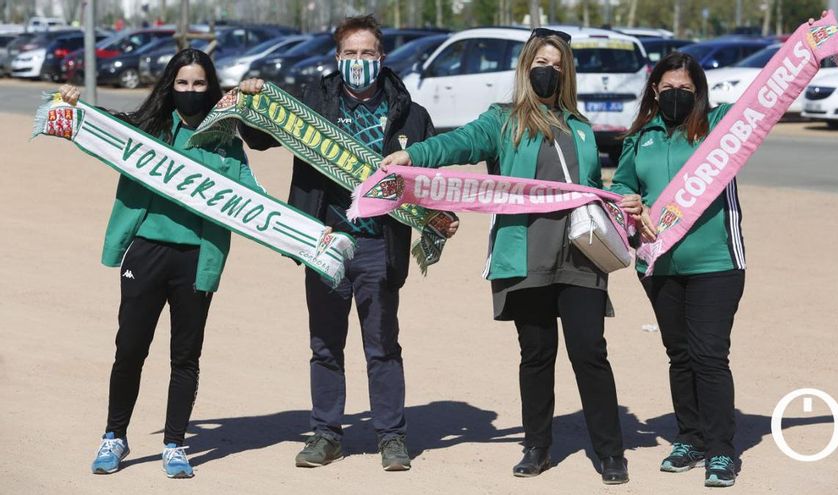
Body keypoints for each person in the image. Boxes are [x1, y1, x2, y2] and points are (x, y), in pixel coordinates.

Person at [381, 28, 639, 484]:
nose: (549, 71)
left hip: (580, 258)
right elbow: (456, 143)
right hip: (526, 258)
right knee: (536, 356)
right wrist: (415, 156)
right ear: (525, 68)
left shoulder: (579, 128)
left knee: (590, 352)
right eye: (541, 63)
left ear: (567, 75)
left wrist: (624, 197)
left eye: (557, 66)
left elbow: (596, 187)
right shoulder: (502, 121)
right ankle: (537, 447)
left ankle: (610, 451)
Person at [238, 14, 447, 471]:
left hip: (379, 245)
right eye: (350, 53)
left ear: (381, 57)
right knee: (326, 344)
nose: (358, 61)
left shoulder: (410, 112)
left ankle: (391, 436)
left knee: (383, 344)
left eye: (367, 53)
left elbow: (430, 177)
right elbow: (261, 137)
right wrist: (250, 100)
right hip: (324, 241)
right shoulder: (314, 100)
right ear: (337, 58)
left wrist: (440, 217)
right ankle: (326, 433)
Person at [60, 48, 262, 479]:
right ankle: (114, 435)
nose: (190, 91)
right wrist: (71, 104)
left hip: (197, 260)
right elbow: (98, 127)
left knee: (185, 357)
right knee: (130, 349)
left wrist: (305, 238)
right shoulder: (148, 130)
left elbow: (254, 202)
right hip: (147, 255)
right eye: (183, 83)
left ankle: (174, 444)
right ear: (171, 85)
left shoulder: (227, 140)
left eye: (199, 84)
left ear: (212, 89)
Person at [609, 51, 744, 488]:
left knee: (708, 356)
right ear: (654, 91)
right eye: (667, 89)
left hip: (716, 262)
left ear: (699, 92)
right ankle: (690, 437)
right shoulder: (639, 137)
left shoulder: (721, 128)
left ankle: (722, 450)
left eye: (685, 89)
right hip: (659, 261)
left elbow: (769, 100)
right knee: (679, 354)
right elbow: (625, 184)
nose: (675, 96)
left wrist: (809, 49)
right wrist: (627, 200)